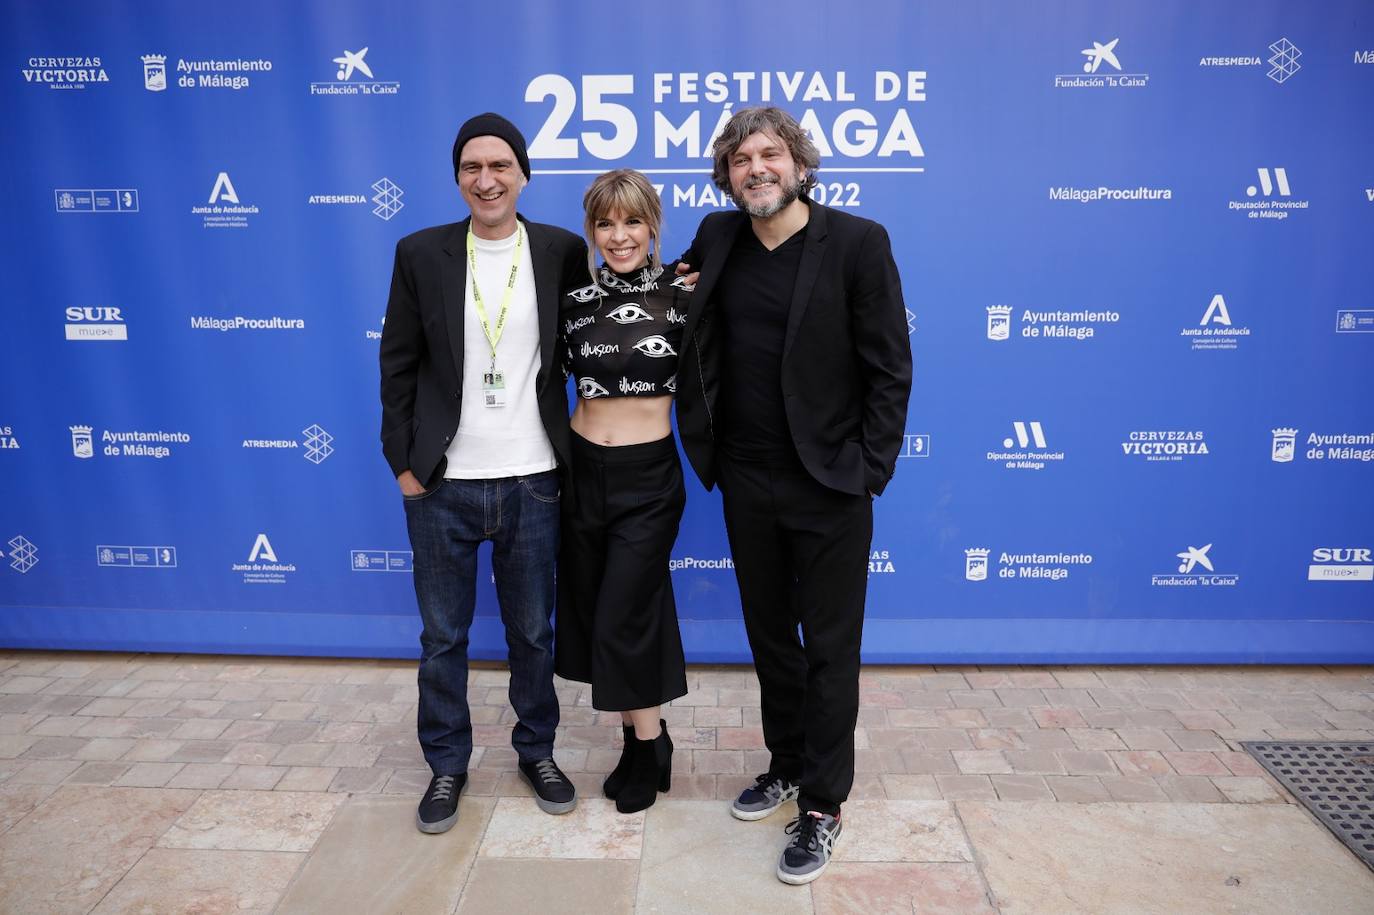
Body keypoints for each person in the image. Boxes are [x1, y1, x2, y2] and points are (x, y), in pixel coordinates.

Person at [674, 107, 913, 884]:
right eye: (741, 159)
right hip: (746, 479)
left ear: (800, 164)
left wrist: (868, 467)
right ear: (726, 174)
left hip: (831, 483)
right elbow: (665, 288)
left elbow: (889, 368)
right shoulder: (716, 239)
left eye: (769, 154)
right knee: (772, 638)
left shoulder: (856, 242)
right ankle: (784, 763)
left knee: (830, 648)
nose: (756, 168)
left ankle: (823, 803)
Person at [379, 112, 588, 835]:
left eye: (500, 165)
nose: (487, 178)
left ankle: (537, 750)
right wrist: (404, 464)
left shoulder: (562, 250)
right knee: (443, 637)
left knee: (533, 632)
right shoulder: (420, 252)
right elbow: (397, 364)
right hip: (442, 483)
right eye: (472, 167)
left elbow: (594, 340)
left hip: (534, 478)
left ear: (523, 173)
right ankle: (447, 763)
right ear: (458, 177)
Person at [555, 169, 691, 813]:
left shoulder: (685, 294)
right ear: (591, 230)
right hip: (580, 473)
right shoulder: (572, 300)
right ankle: (645, 739)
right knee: (600, 611)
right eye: (605, 223)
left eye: (632, 221)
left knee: (621, 614)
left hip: (649, 479)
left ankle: (647, 740)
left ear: (653, 226)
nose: (619, 235)